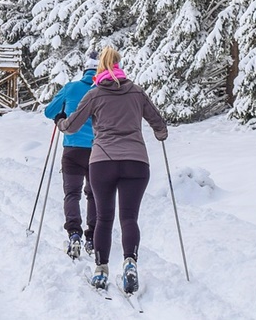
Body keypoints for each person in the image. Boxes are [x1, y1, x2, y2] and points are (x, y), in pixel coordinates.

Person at [55, 46, 167, 295]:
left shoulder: (94, 94)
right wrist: (161, 134)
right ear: (119, 65)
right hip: (136, 162)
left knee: (104, 218)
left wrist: (60, 122)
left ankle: (101, 270)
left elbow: (72, 126)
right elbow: (159, 123)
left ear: (100, 68)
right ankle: (130, 262)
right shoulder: (136, 91)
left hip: (103, 162)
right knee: (129, 218)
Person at [43, 51, 99, 259]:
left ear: (85, 71)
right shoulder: (103, 90)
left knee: (72, 194)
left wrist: (61, 115)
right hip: (97, 150)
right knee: (94, 194)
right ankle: (92, 237)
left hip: (72, 149)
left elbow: (49, 111)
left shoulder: (71, 88)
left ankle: (74, 233)